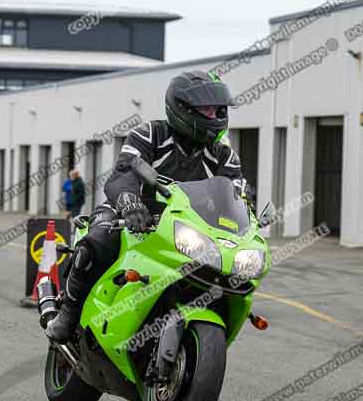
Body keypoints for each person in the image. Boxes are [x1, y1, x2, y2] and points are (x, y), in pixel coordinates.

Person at [46, 70, 247, 342]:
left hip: (188, 228)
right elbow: (123, 172)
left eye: (217, 110)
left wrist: (247, 221)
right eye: (206, 110)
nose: (214, 116)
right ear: (182, 109)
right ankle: (68, 315)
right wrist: (130, 203)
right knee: (99, 239)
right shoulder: (151, 133)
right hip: (132, 213)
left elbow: (236, 194)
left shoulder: (224, 154)